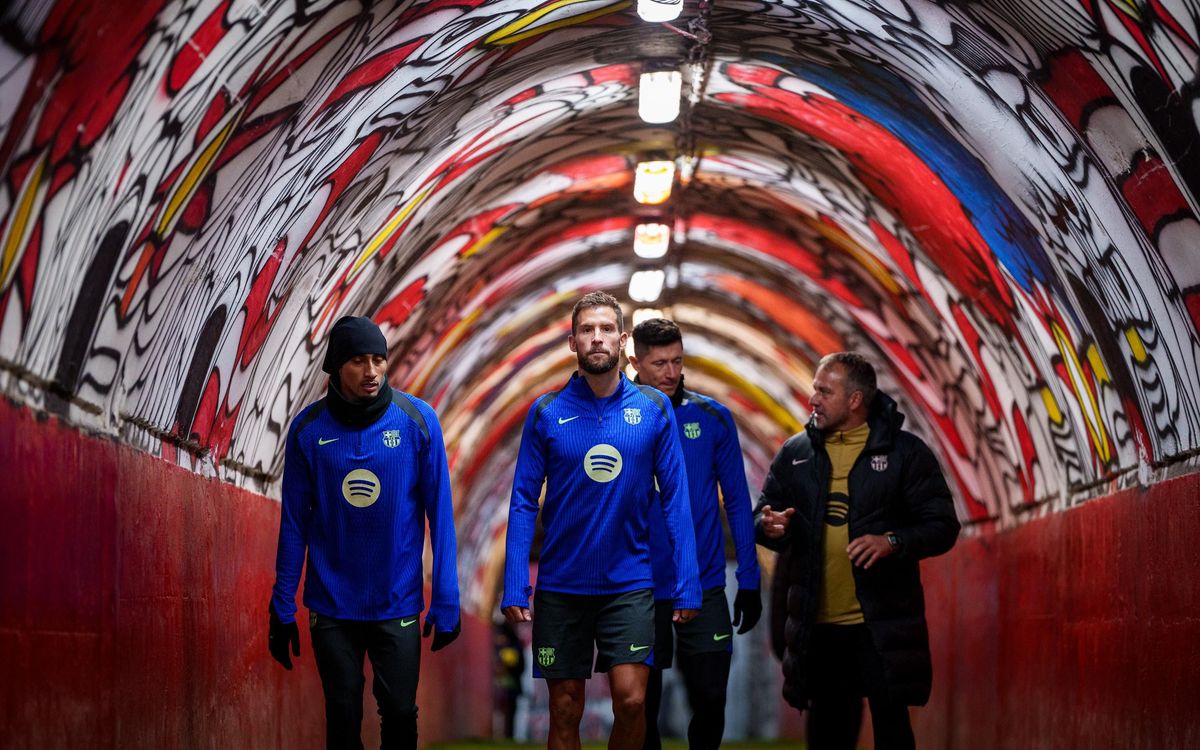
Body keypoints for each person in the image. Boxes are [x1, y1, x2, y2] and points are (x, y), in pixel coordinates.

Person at [501, 291, 703, 750]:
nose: (597, 338)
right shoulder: (546, 412)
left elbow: (675, 499)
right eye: (587, 330)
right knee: (565, 707)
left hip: (629, 585)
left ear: (623, 341)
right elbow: (522, 501)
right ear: (572, 342)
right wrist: (515, 581)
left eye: (607, 329)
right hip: (561, 586)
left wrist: (687, 581)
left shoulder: (653, 410)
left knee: (632, 703)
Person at [268, 315, 461, 750]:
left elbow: (440, 516)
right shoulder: (307, 431)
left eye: (379, 359)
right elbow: (294, 523)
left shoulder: (418, 421)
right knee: (342, 716)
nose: (372, 371)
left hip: (398, 600)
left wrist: (446, 599)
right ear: (336, 367)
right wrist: (281, 607)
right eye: (358, 361)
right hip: (331, 604)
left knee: (398, 714)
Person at [755, 352, 959, 750]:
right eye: (815, 389)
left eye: (824, 391)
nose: (813, 399)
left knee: (892, 731)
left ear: (854, 400)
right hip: (820, 629)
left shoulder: (906, 454)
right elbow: (760, 517)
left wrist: (893, 541)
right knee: (828, 733)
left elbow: (943, 526)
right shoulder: (796, 453)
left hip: (881, 626)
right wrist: (767, 526)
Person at [628, 318, 761, 750]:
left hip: (703, 585)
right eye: (660, 362)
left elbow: (739, 502)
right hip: (637, 588)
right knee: (638, 705)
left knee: (710, 696)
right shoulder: (612, 418)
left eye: (678, 361)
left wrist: (750, 580)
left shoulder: (713, 418)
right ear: (635, 362)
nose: (671, 372)